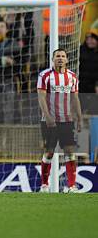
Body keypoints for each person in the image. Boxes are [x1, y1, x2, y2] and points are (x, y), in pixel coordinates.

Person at [37, 49, 83, 193]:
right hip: (48, 121)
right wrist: (48, 117)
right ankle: (44, 185)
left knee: (69, 151)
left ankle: (71, 186)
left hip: (66, 121)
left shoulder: (72, 77)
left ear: (67, 60)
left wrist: (79, 118)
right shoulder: (44, 75)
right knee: (49, 152)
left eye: (63, 56)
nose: (60, 58)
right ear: (53, 59)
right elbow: (41, 98)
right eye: (57, 56)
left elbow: (75, 98)